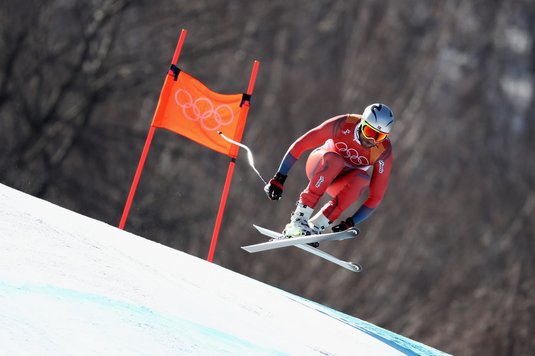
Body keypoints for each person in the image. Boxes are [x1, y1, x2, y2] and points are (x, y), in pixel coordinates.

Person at [264, 103, 394, 238]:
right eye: (369, 132)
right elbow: (301, 145)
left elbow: (375, 197)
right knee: (335, 160)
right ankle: (298, 220)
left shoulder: (383, 152)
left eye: (379, 137)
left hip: (339, 182)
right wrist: (279, 178)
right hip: (320, 165)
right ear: (362, 123)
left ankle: (318, 225)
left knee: (362, 179)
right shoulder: (344, 124)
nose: (372, 140)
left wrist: (351, 222)